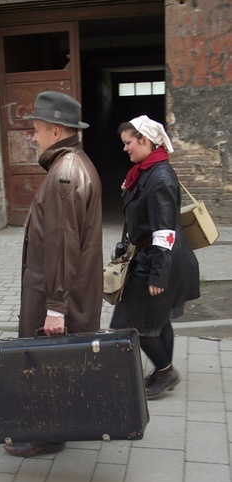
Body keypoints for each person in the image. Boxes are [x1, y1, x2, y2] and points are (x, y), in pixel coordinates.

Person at [4, 91, 103, 457]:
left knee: (47, 364)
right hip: (61, 290)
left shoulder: (65, 175)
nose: (33, 136)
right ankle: (54, 428)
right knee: (55, 363)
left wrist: (56, 307)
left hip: (57, 292)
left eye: (38, 130)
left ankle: (46, 435)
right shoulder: (73, 165)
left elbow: (62, 244)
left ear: (56, 132)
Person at [110, 115, 200, 399]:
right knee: (158, 319)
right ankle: (165, 371)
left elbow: (165, 231)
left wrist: (158, 274)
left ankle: (165, 371)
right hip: (150, 256)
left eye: (128, 143)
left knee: (133, 321)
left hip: (158, 260)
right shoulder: (144, 170)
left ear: (144, 140)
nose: (125, 148)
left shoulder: (159, 177)